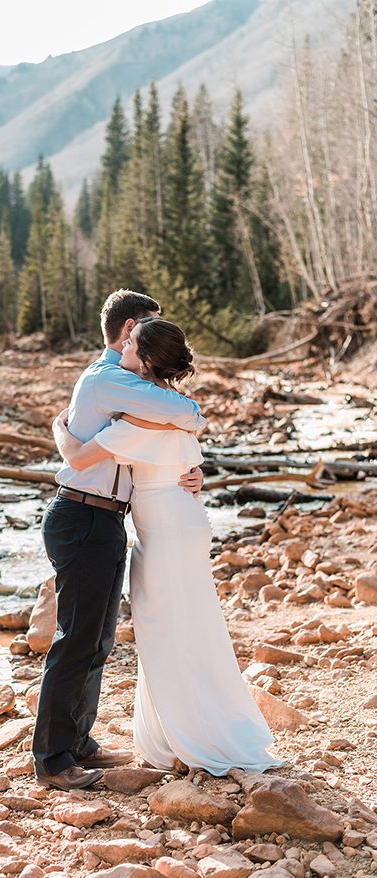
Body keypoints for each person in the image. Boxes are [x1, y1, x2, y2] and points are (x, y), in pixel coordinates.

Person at [52, 316, 281, 776]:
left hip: (165, 535)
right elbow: (189, 450)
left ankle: (191, 737)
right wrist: (194, 475)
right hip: (183, 522)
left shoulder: (138, 421)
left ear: (148, 357)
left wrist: (59, 423)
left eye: (132, 345)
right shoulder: (172, 408)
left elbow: (76, 457)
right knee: (192, 625)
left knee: (165, 632)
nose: (124, 351)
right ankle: (189, 729)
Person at [33, 289, 207, 792]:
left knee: (98, 639)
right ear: (130, 330)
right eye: (150, 328)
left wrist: (190, 471)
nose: (151, 340)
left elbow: (168, 434)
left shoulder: (118, 380)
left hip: (105, 519)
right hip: (82, 517)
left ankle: (78, 743)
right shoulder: (112, 379)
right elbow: (187, 411)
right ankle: (51, 759)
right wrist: (64, 438)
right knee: (75, 639)